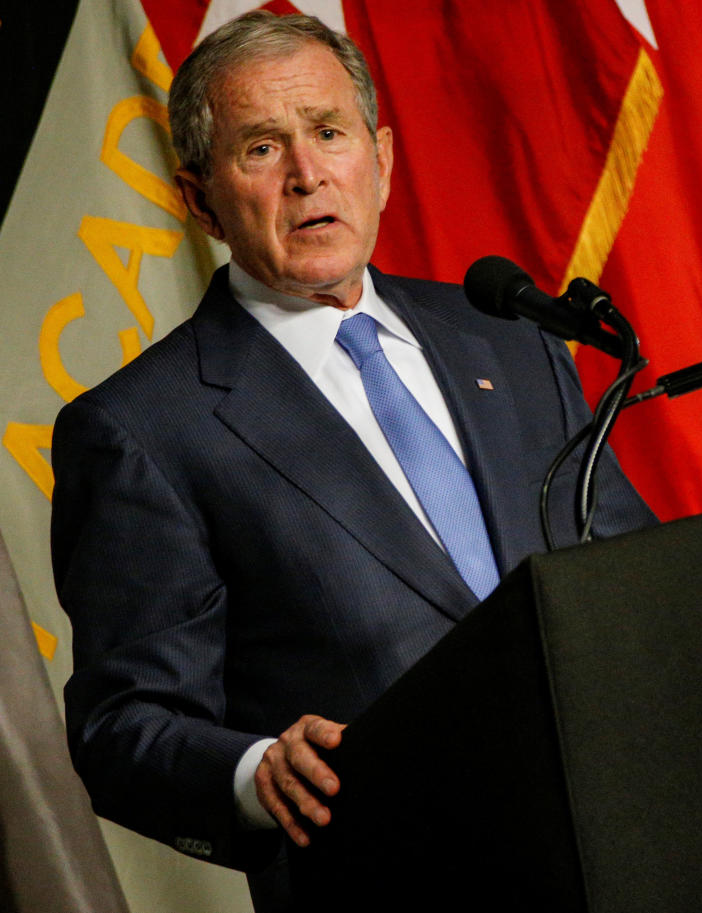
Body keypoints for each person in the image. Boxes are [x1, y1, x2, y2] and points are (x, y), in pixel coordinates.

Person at [50, 11, 656, 911]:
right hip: (396, 876)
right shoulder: (141, 429)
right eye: (261, 148)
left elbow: (631, 578)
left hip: (629, 848)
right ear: (197, 198)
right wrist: (257, 771)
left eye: (328, 133)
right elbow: (122, 727)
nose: (307, 175)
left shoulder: (508, 339)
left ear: (380, 156)